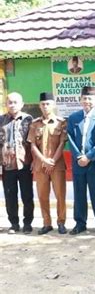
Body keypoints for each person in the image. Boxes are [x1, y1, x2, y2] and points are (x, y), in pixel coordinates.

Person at [67, 86, 95, 236]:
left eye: (90, 98)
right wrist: (79, 156)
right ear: (80, 100)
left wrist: (89, 157)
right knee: (79, 194)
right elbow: (70, 139)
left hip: (94, 163)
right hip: (78, 163)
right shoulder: (73, 118)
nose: (87, 101)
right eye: (84, 98)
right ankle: (80, 223)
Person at [27, 92, 67, 235]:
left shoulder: (61, 122)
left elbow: (62, 143)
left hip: (57, 165)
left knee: (60, 195)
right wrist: (44, 160)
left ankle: (61, 222)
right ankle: (46, 223)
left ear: (53, 105)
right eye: (43, 104)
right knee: (43, 196)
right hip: (40, 166)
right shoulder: (34, 124)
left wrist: (52, 161)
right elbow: (32, 146)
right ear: (39, 105)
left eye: (48, 103)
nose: (45, 106)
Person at [0, 92, 34, 234]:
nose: (12, 105)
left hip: (24, 164)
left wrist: (34, 161)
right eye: (10, 102)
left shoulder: (28, 119)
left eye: (15, 102)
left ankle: (27, 223)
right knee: (10, 196)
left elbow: (33, 143)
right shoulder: (1, 120)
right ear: (6, 104)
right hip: (7, 165)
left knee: (27, 195)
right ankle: (14, 223)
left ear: (22, 104)